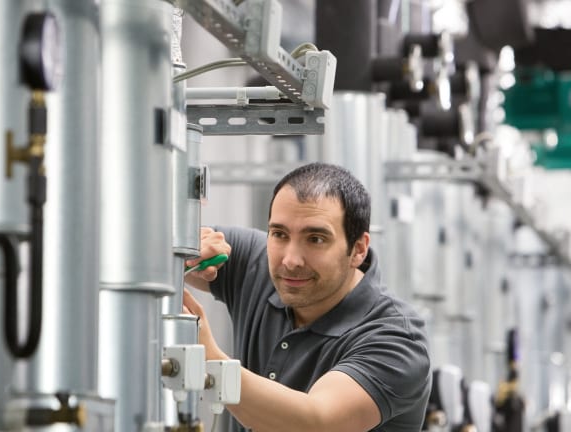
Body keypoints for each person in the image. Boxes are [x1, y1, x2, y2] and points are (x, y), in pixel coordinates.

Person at [183, 162, 431, 432]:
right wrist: (186, 248)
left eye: (316, 239)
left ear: (358, 249)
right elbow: (150, 243)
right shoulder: (257, 262)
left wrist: (210, 358)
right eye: (279, 234)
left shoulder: (397, 339)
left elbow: (317, 422)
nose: (290, 260)